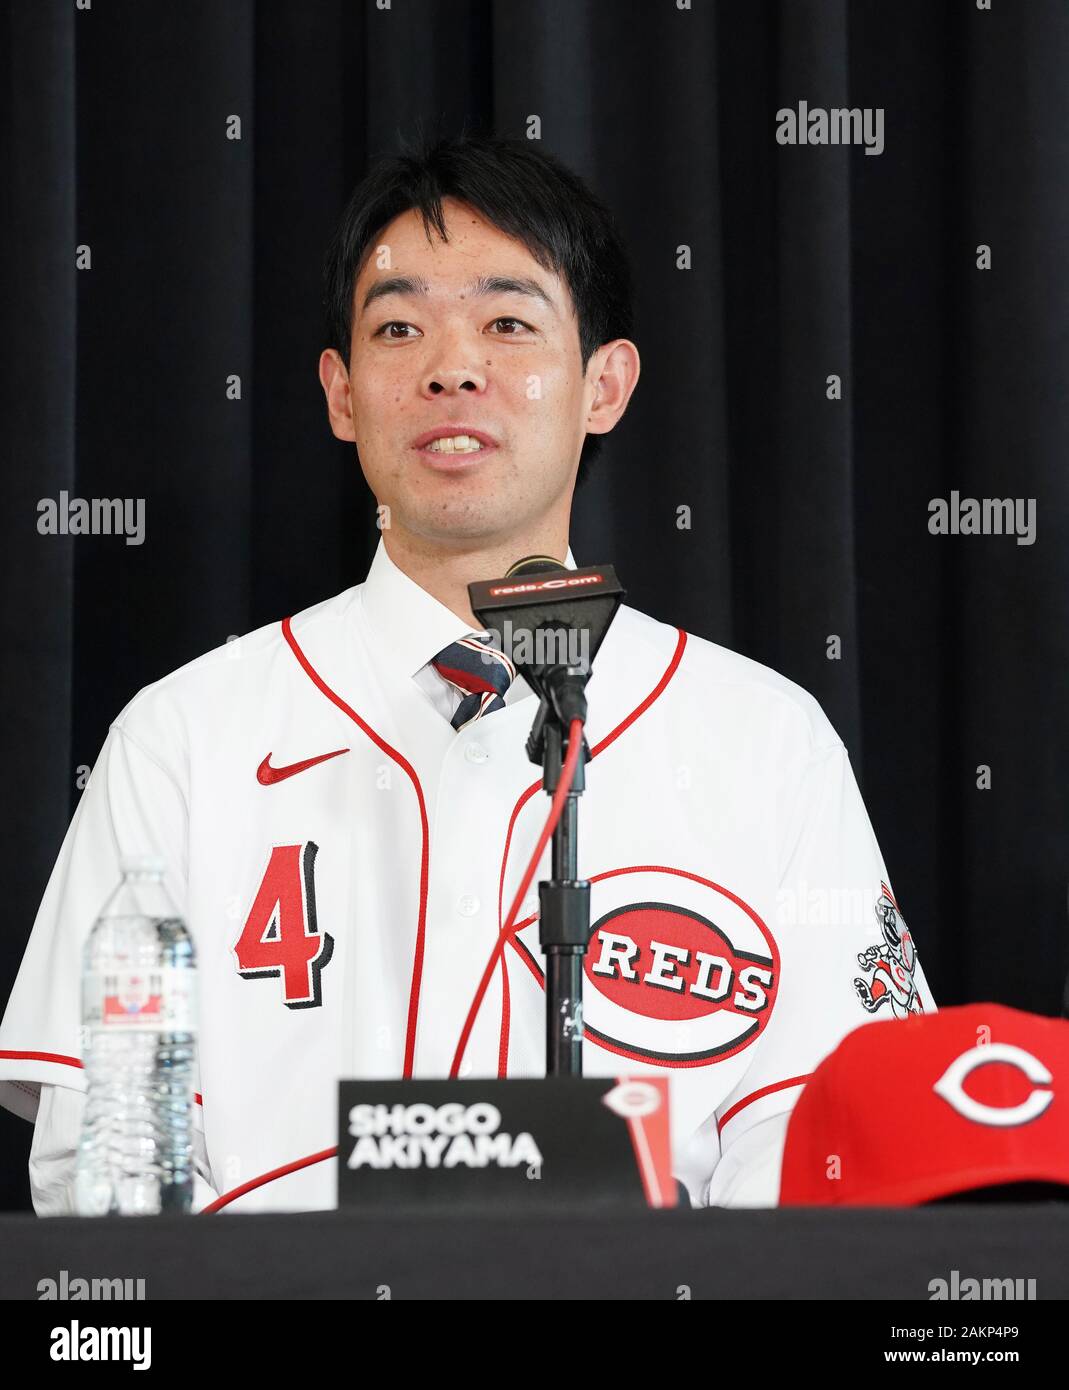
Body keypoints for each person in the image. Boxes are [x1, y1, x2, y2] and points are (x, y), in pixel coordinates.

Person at [0, 135, 935, 1214]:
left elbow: (828, 1132)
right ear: (341, 395)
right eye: (399, 328)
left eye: (507, 322)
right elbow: (104, 1167)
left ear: (605, 383)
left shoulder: (764, 739)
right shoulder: (183, 735)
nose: (451, 366)